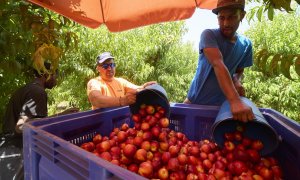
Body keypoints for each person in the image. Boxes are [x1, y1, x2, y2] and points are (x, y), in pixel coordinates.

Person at [1, 62, 78, 180]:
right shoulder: (37, 92)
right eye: (55, 75)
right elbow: (21, 126)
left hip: (8, 146)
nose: (56, 79)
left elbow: (34, 120)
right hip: (15, 150)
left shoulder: (29, 89)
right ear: (45, 74)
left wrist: (60, 115)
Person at [184, 0, 254, 122]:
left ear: (242, 15)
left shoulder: (246, 45)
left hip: (221, 109)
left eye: (231, 17)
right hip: (193, 104)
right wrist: (235, 100)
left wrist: (236, 80)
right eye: (221, 18)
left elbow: (239, 71)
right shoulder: (209, 35)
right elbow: (218, 64)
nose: (226, 23)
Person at [87, 52, 156, 109]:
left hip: (121, 121)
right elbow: (95, 99)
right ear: (98, 68)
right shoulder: (94, 82)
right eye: (105, 66)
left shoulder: (120, 81)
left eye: (112, 65)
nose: (109, 68)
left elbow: (137, 89)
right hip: (104, 122)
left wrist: (145, 87)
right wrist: (122, 101)